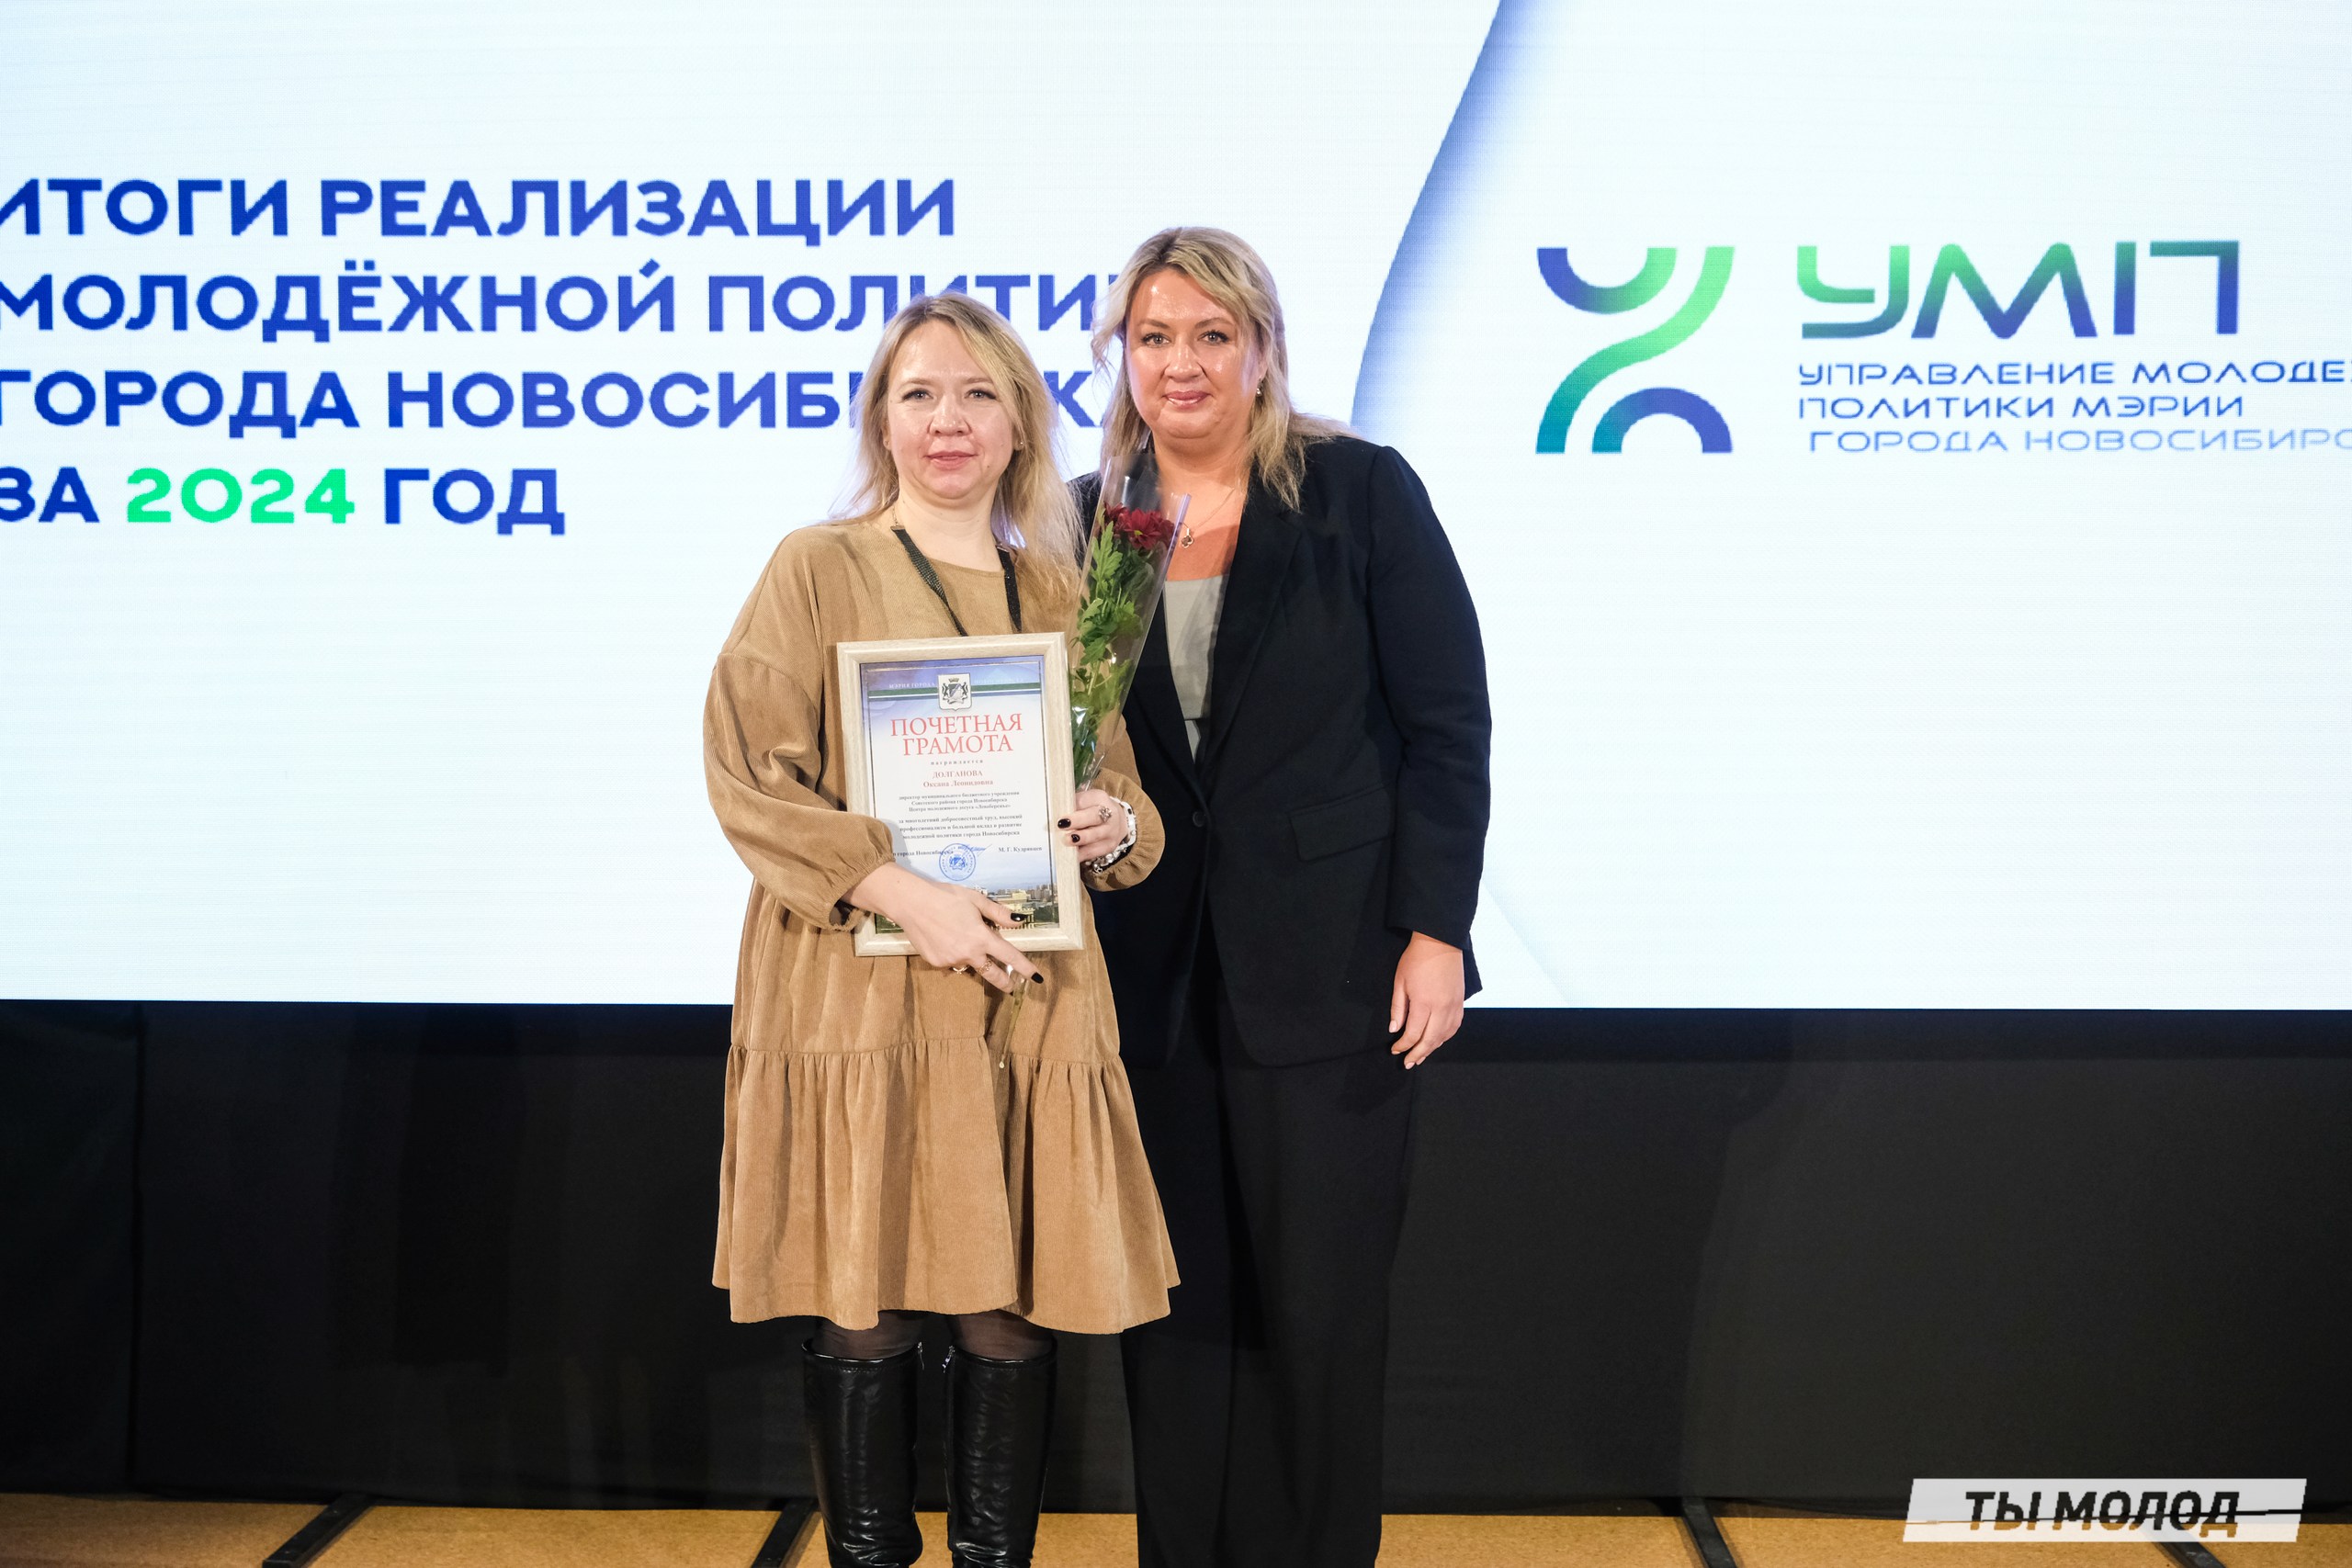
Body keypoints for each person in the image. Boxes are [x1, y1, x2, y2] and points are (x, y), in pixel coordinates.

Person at [704, 293, 1178, 1568]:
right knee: (865, 1304)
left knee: (1006, 1307)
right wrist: (900, 891)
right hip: (862, 984)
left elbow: (1126, 805)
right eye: (918, 394)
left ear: (1020, 423)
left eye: (977, 394)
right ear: (881, 421)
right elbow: (750, 776)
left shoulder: (1068, 589)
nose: (947, 420)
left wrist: (1108, 825)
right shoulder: (817, 565)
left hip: (1022, 989)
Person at [1081, 229, 1491, 1568]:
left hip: (1334, 971)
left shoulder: (1355, 494)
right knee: (1174, 1313)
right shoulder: (1101, 522)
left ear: (1262, 350)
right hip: (1151, 986)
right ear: (1122, 357)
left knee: (1321, 1311)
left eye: (1213, 335)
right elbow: (1079, 750)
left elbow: (1447, 728)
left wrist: (1437, 930)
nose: (1182, 363)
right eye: (1154, 338)